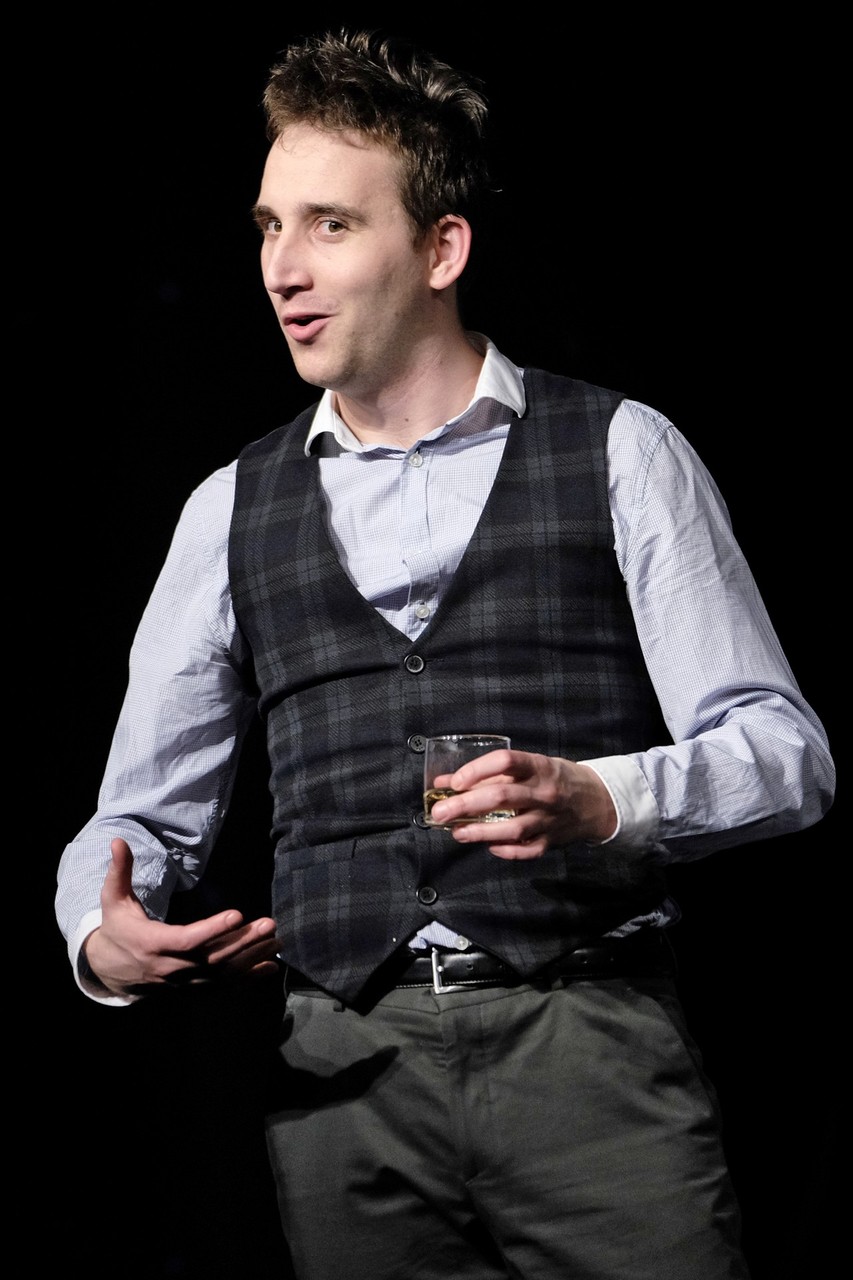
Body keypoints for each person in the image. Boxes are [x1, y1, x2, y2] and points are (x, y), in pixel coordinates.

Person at [56, 27, 835, 1280]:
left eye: (329, 224)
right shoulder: (228, 507)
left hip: (588, 1043)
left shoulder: (621, 450)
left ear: (440, 249)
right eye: (268, 226)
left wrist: (602, 796)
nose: (282, 267)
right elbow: (138, 819)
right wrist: (104, 940)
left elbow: (784, 754)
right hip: (345, 1079)